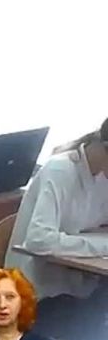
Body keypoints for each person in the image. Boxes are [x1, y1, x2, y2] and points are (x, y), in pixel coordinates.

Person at [6, 117, 108, 323]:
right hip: (40, 294)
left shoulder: (102, 176)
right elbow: (38, 240)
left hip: (79, 286)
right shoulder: (60, 170)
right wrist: (102, 245)